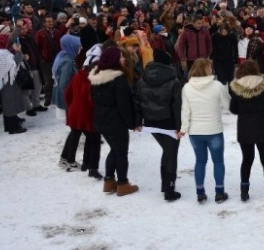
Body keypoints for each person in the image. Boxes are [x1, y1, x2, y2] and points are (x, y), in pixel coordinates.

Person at [133, 49, 183, 202]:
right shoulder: (173, 80)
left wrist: (138, 121)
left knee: (167, 151)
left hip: (150, 122)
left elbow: (137, 101)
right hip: (168, 122)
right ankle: (169, 188)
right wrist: (179, 126)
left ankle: (165, 184)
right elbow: (177, 105)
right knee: (171, 153)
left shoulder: (142, 79)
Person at [89, 47, 138, 197]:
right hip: (115, 121)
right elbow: (124, 105)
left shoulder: (96, 77)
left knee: (114, 149)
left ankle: (109, 180)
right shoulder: (118, 78)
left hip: (101, 119)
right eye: (121, 57)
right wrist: (132, 123)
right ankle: (123, 184)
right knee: (121, 152)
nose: (124, 59)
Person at [181, 58, 231, 203]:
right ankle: (220, 192)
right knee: (218, 161)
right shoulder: (217, 86)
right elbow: (228, 105)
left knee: (200, 161)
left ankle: (200, 192)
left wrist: (183, 129)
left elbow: (185, 111)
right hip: (213, 130)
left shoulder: (187, 87)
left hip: (195, 132)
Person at [229, 60, 264, 203]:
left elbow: (233, 109)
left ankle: (244, 191)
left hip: (245, 128)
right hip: (262, 127)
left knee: (247, 160)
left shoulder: (236, 88)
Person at [64, 44, 103, 180]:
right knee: (94, 138)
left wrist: (71, 106)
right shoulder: (93, 81)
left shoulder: (77, 77)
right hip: (87, 114)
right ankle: (90, 165)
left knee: (76, 135)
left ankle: (71, 160)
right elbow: (92, 100)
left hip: (74, 112)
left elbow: (67, 93)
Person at [54, 35, 83, 171]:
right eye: (78, 46)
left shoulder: (64, 57)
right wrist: (72, 98)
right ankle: (70, 160)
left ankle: (64, 158)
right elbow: (64, 84)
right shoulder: (67, 62)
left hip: (68, 101)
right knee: (76, 130)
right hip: (69, 102)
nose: (80, 48)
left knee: (75, 130)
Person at [0, 31, 27, 134]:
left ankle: (11, 124)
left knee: (9, 102)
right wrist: (19, 53)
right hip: (7, 81)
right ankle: (13, 127)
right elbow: (13, 65)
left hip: (5, 81)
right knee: (9, 103)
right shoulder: (0, 53)